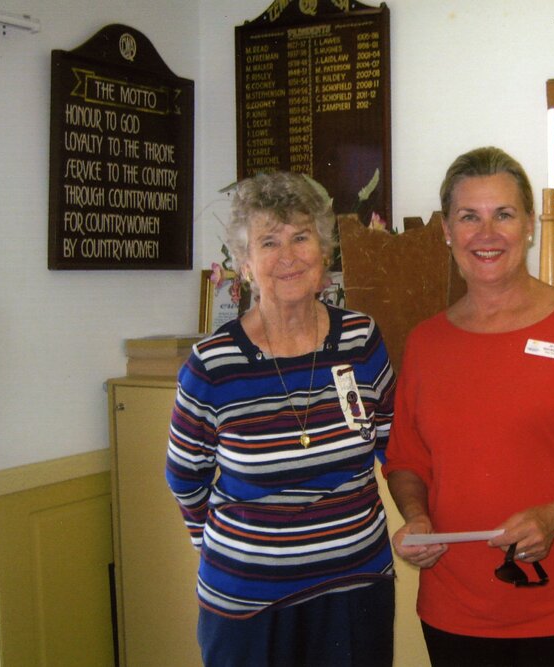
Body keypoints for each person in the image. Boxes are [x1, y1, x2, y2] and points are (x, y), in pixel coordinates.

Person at [383, 147, 554, 666]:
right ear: (446, 230)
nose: (486, 234)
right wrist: (417, 517)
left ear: (529, 225)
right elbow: (405, 462)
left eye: (504, 215)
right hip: (454, 610)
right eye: (469, 216)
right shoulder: (425, 343)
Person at [166, 171, 396, 667]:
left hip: (355, 588)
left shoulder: (361, 339)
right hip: (250, 604)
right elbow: (185, 477)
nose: (288, 256)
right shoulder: (212, 365)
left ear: (324, 251)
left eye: (301, 237)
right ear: (245, 264)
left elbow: (392, 444)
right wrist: (232, 548)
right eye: (269, 242)